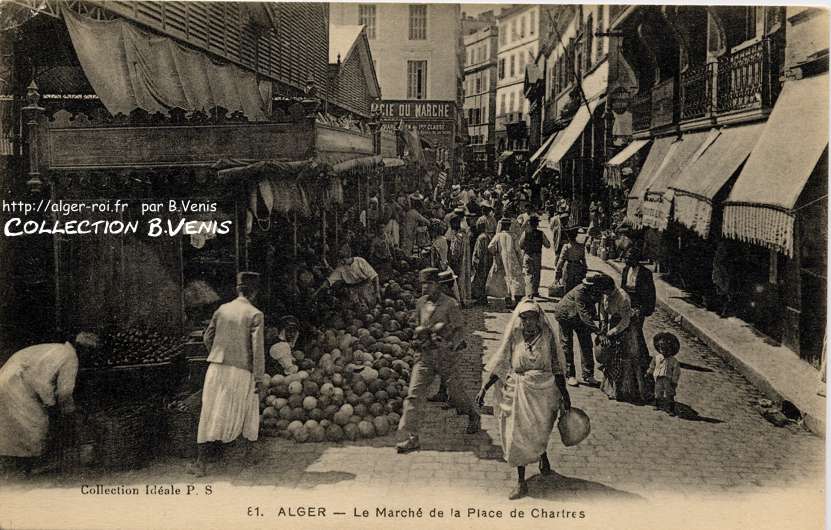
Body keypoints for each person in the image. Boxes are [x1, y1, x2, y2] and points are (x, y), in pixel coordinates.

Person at [477, 299, 572, 500]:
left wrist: (565, 395)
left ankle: (542, 454)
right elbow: (502, 364)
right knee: (516, 436)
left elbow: (556, 367)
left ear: (539, 319)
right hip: (517, 390)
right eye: (524, 318)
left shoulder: (547, 338)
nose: (528, 323)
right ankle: (521, 482)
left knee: (539, 430)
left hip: (543, 392)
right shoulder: (515, 337)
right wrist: (485, 388)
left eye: (532, 318)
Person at [190, 272, 266, 477]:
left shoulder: (222, 309)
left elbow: (208, 337)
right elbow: (257, 350)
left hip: (216, 368)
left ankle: (200, 464)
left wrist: (218, 353)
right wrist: (259, 378)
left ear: (237, 290)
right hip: (242, 370)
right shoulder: (255, 314)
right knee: (248, 410)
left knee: (210, 412)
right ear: (255, 292)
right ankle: (248, 457)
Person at [397, 268, 480, 453]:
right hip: (425, 358)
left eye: (429, 284)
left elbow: (459, 330)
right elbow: (416, 328)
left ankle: (473, 415)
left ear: (438, 285)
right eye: (423, 284)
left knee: (456, 395)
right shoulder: (420, 303)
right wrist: (417, 340)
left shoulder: (450, 304)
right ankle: (412, 438)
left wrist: (451, 344)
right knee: (414, 395)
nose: (425, 287)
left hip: (445, 357)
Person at [0, 332, 99, 474]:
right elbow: (64, 393)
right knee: (35, 425)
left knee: (19, 427)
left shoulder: (59, 349)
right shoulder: (70, 358)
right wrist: (67, 413)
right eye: (90, 353)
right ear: (85, 350)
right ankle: (28, 467)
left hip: (7, 379)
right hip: (17, 386)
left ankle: (20, 466)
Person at [596, 275, 644, 403]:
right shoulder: (604, 294)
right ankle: (610, 387)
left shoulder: (623, 299)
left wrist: (611, 333)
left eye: (604, 291)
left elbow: (625, 321)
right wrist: (603, 323)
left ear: (610, 288)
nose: (603, 294)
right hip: (612, 323)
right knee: (611, 355)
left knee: (624, 358)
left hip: (626, 328)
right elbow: (602, 309)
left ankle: (625, 391)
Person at [552, 273, 604, 387]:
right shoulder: (579, 292)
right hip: (565, 316)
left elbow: (601, 309)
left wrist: (602, 324)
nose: (587, 287)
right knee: (567, 344)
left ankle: (588, 374)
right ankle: (570, 374)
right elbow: (584, 314)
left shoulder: (599, 290)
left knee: (586, 344)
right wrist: (597, 330)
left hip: (579, 318)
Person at [620, 246, 656, 400]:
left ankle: (640, 361)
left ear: (636, 258)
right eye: (626, 258)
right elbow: (622, 289)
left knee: (635, 334)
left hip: (638, 308)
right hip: (626, 305)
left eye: (629, 257)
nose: (626, 260)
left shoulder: (646, 274)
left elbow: (650, 293)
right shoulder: (625, 270)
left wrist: (644, 310)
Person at [315, 244, 381, 310]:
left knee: (372, 306)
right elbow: (329, 280)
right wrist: (318, 291)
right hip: (353, 289)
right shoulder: (340, 267)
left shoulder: (360, 261)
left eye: (344, 259)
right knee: (353, 308)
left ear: (349, 257)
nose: (342, 262)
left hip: (366, 287)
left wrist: (377, 292)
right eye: (340, 260)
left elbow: (375, 276)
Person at [488, 218, 525, 309]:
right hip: (512, 259)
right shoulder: (513, 236)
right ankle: (516, 299)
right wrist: (520, 261)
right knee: (515, 278)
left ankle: (508, 299)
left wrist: (496, 253)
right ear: (509, 226)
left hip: (502, 259)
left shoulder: (498, 235)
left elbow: (490, 247)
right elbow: (518, 250)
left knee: (504, 278)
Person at [648, 332, 682, 416]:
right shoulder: (657, 358)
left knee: (669, 393)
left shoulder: (674, 361)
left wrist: (674, 381)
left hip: (668, 380)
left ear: (671, 349)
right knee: (658, 391)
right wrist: (649, 372)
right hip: (658, 378)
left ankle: (670, 408)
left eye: (667, 349)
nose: (664, 350)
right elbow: (652, 366)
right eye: (661, 348)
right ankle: (657, 404)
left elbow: (676, 372)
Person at [518, 215, 551, 298]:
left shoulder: (525, 233)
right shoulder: (541, 233)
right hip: (537, 255)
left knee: (528, 273)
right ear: (537, 224)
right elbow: (548, 245)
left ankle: (529, 293)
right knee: (536, 274)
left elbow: (520, 245)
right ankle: (535, 291)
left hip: (528, 254)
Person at [554, 225, 587, 294]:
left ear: (568, 237)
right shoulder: (581, 246)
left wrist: (558, 271)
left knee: (567, 286)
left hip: (569, 267)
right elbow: (583, 259)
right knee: (577, 286)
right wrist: (584, 268)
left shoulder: (566, 246)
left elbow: (561, 260)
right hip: (578, 267)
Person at [471, 217, 493, 305]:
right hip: (486, 262)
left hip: (482, 262)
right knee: (483, 280)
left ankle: (481, 299)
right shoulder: (487, 236)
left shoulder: (481, 238)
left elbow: (479, 252)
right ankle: (483, 298)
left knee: (481, 281)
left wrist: (476, 262)